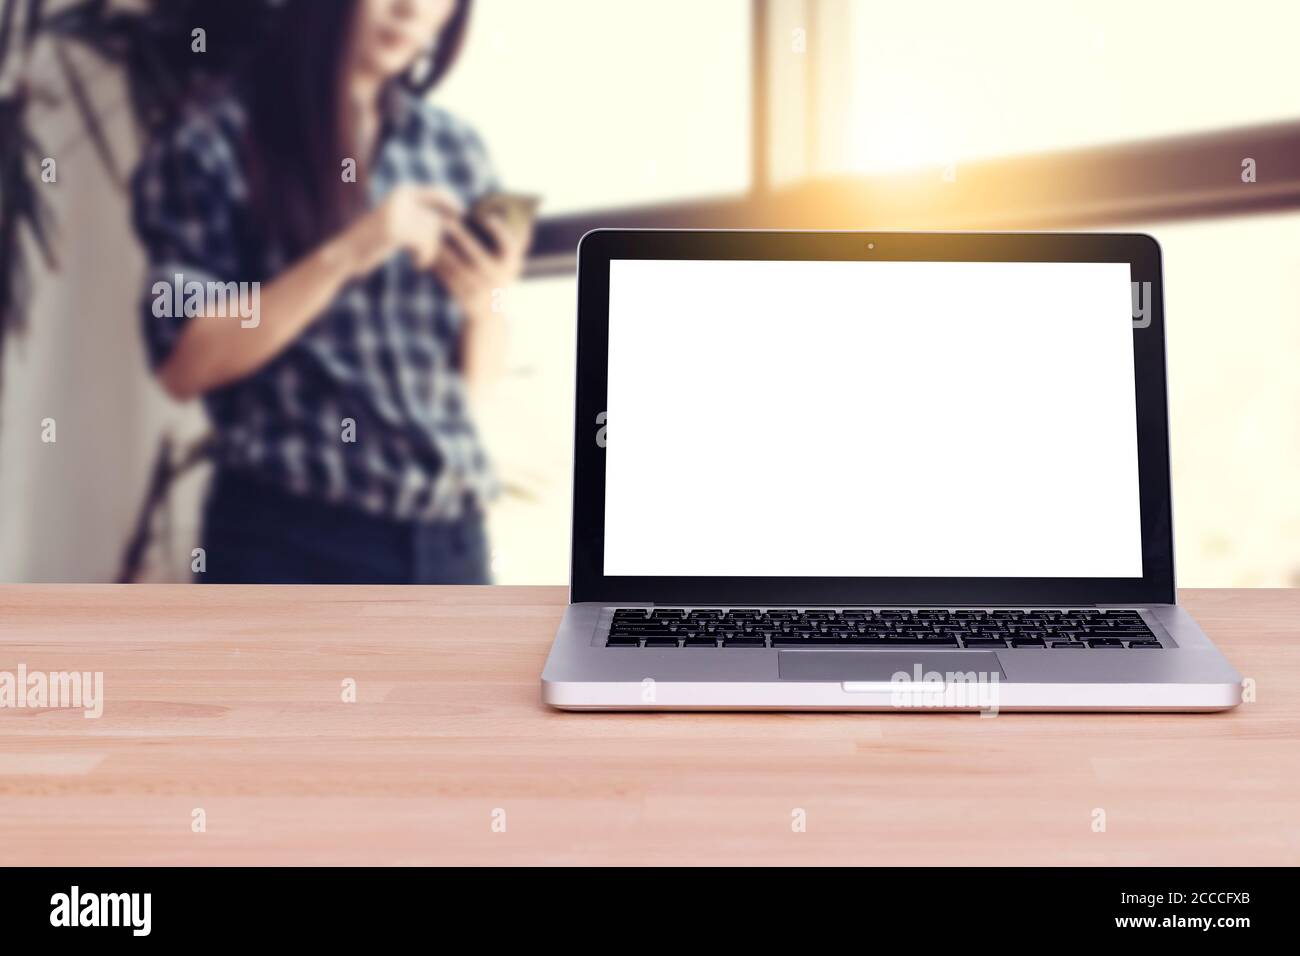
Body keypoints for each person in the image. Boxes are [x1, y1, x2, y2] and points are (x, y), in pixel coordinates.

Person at [131, 0, 527, 583]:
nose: (412, 9)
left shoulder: (454, 150)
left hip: (452, 544)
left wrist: (484, 304)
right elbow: (184, 361)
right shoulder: (214, 135)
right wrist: (352, 251)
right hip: (292, 542)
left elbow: (472, 389)